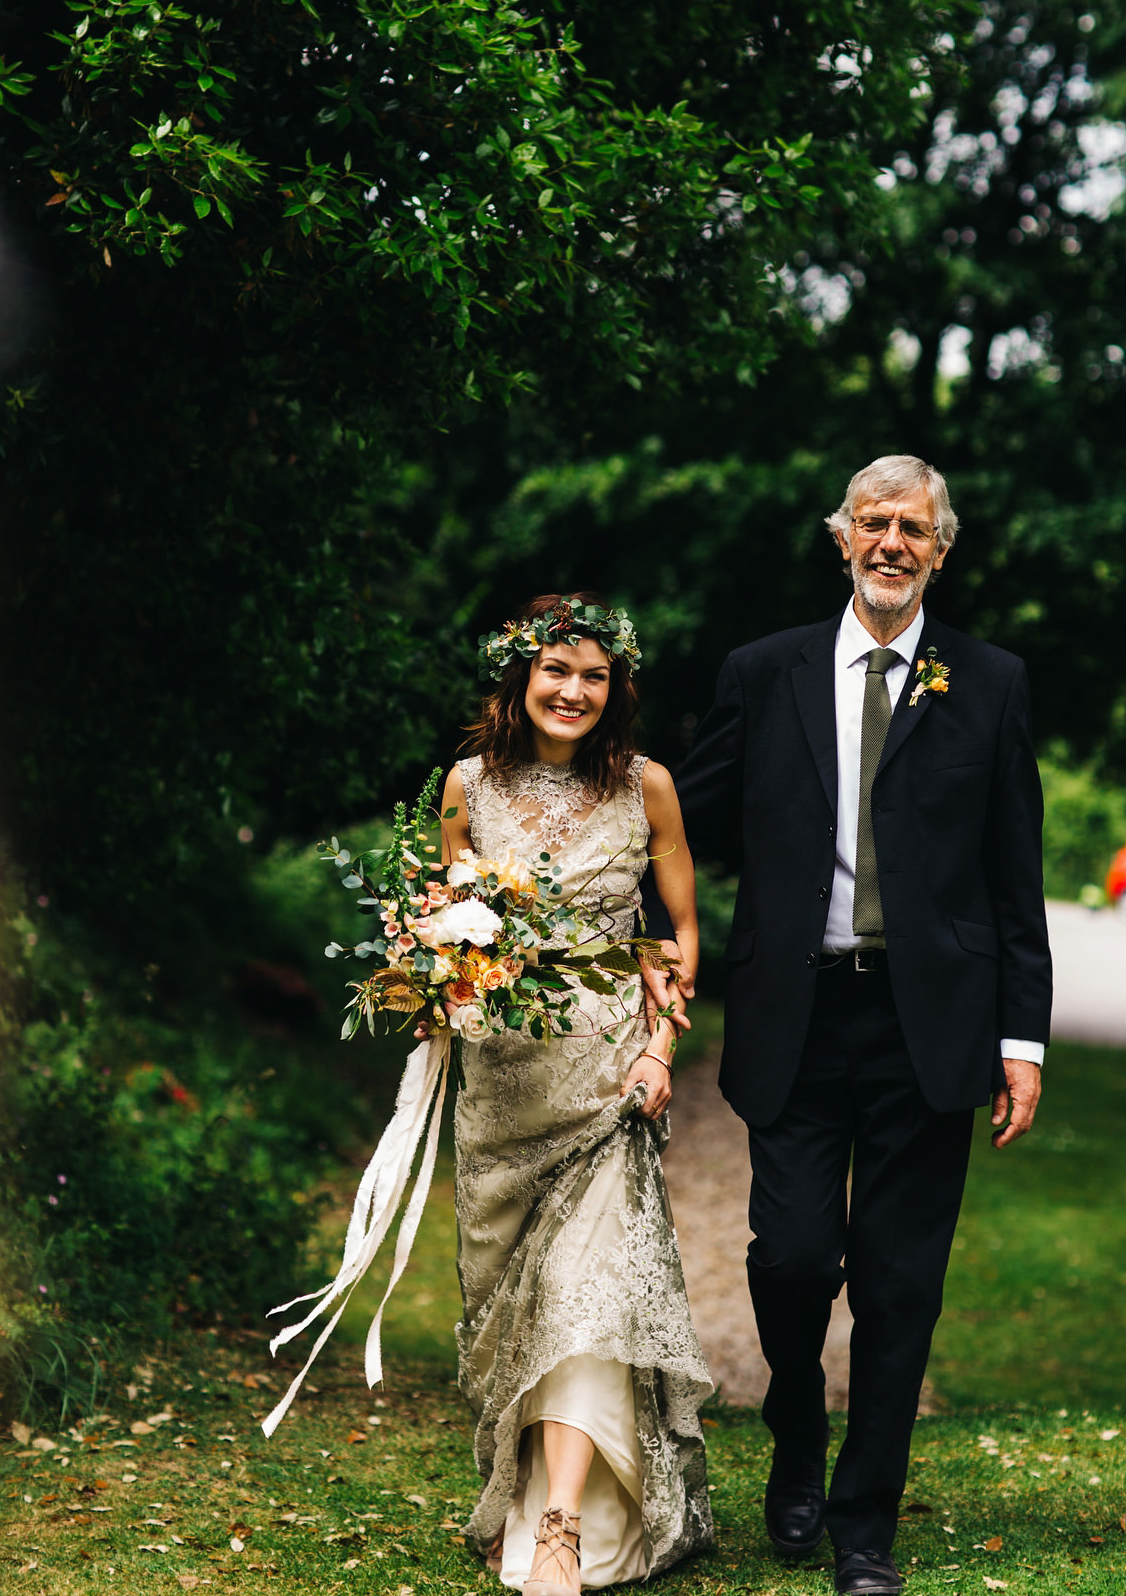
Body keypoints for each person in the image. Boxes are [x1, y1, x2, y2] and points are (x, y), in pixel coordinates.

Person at [643, 456, 1052, 1596]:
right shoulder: (763, 672)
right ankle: (792, 1426)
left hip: (936, 1026)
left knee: (899, 1280)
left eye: (912, 527)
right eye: (872, 523)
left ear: (940, 548)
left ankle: (864, 1521)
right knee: (789, 1256)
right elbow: (679, 817)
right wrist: (567, 850)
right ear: (841, 539)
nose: (890, 542)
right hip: (798, 1014)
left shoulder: (990, 682)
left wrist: (1024, 1040)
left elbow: (1017, 880)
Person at [440, 592, 714, 1595]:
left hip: (608, 1073)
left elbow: (674, 935)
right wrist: (432, 977)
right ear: (522, 676)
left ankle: (562, 1527)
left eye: (594, 676)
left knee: (588, 1297)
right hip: (505, 1085)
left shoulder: (650, 789)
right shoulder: (467, 786)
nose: (573, 691)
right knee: (520, 1310)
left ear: (617, 687)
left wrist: (660, 1049)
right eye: (557, 671)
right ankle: (534, 1497)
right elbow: (453, 929)